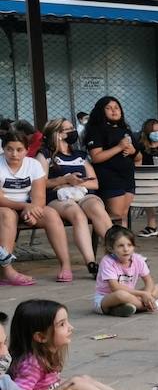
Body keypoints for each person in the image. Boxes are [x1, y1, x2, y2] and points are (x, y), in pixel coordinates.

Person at [2, 299, 158, 390]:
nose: (70, 327)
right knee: (78, 384)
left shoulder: (44, 356)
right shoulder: (31, 362)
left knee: (81, 380)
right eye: (62, 324)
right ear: (40, 336)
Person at [38, 118, 112, 278]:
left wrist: (74, 184)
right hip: (58, 197)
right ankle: (91, 263)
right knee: (76, 213)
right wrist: (64, 180)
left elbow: (95, 183)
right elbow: (40, 182)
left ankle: (119, 253)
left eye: (72, 128)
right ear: (57, 134)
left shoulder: (79, 155)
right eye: (68, 129)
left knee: (97, 208)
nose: (73, 132)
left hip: (82, 193)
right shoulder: (45, 155)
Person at [0, 132, 75, 282]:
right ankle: (6, 270)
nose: (14, 154)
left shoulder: (33, 165)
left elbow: (39, 198)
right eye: (9, 149)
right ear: (3, 148)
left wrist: (32, 213)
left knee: (51, 214)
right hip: (5, 206)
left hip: (28, 206)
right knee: (7, 215)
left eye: (19, 149)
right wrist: (25, 206)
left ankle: (66, 266)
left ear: (27, 150)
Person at [82, 96, 138, 227]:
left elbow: (138, 157)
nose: (114, 111)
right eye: (109, 108)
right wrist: (119, 147)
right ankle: (112, 239)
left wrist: (133, 151)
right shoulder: (95, 131)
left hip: (127, 178)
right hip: (109, 177)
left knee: (123, 214)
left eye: (117, 108)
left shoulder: (126, 131)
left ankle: (122, 242)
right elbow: (96, 157)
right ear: (101, 111)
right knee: (116, 214)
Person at [94, 226, 158, 316]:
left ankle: (127, 308)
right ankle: (155, 305)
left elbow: (149, 281)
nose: (126, 249)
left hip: (130, 296)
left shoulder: (138, 259)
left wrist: (147, 294)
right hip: (106, 298)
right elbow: (115, 288)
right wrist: (142, 294)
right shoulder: (107, 261)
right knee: (121, 295)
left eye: (129, 245)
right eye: (120, 246)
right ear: (111, 248)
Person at [129, 118, 158, 239]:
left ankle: (152, 225)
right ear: (146, 133)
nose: (157, 133)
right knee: (147, 185)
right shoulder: (139, 148)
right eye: (154, 131)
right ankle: (156, 219)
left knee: (150, 186)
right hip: (145, 187)